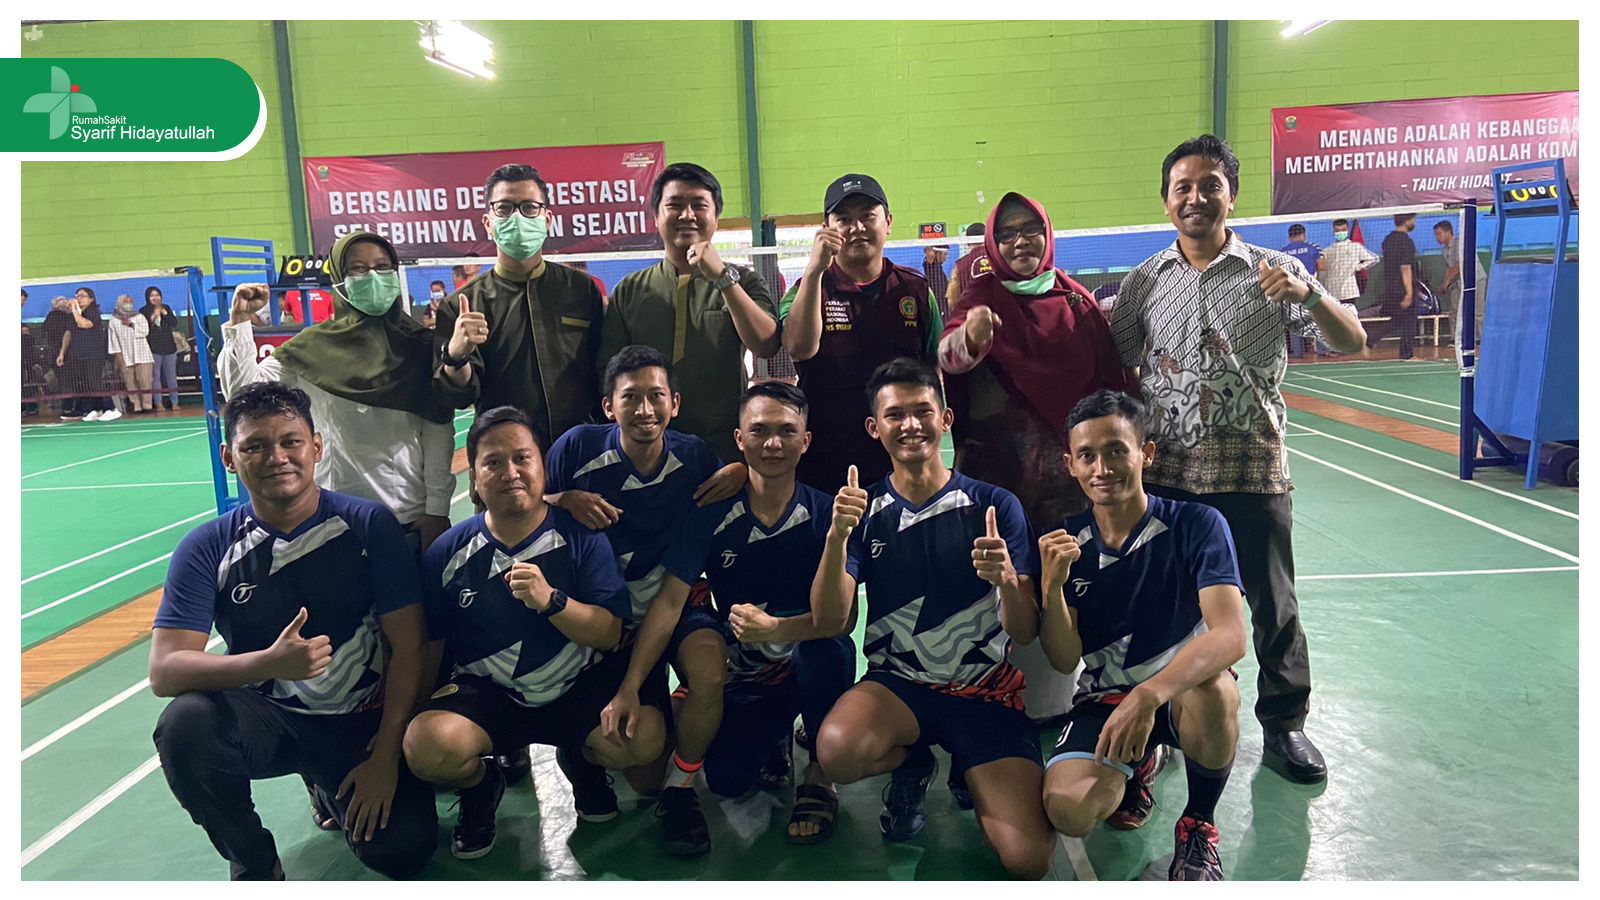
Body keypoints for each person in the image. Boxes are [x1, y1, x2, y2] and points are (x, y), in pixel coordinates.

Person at [1110, 134, 1365, 786]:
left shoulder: (1276, 271)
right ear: (1166, 201)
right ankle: (1166, 720)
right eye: (1183, 188)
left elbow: (1351, 340)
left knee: (1273, 605)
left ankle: (1285, 725)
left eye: (1210, 185)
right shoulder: (1144, 281)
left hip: (1252, 470)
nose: (1196, 197)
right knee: (1165, 604)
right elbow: (1115, 362)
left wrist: (1309, 297)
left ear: (1231, 194)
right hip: (1169, 475)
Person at [148, 381, 437, 880]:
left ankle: (327, 783)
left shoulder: (368, 526)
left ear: (317, 447)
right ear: (229, 458)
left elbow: (409, 645)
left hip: (359, 720)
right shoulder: (207, 547)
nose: (276, 457)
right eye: (255, 446)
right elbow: (165, 671)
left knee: (402, 851)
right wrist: (268, 664)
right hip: (270, 719)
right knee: (185, 727)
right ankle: (255, 861)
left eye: (290, 442)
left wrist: (386, 756)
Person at [810, 358, 1054, 880]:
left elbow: (1025, 630)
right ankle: (913, 761)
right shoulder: (863, 510)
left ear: (945, 418)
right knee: (835, 752)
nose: (911, 425)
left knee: (1028, 860)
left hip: (984, 691)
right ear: (874, 428)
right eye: (895, 415)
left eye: (923, 411)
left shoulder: (995, 505)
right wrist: (836, 539)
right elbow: (831, 621)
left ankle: (971, 762)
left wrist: (1007, 581)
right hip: (899, 686)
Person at [402, 405, 664, 860]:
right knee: (425, 746)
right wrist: (416, 714)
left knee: (644, 740)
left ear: (542, 466)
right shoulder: (447, 552)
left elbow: (609, 633)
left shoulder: (581, 536)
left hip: (577, 687)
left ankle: (581, 760)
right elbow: (433, 644)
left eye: (522, 458)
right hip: (491, 696)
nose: (511, 472)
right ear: (474, 478)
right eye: (493, 462)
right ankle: (481, 786)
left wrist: (552, 601)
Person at [602, 381, 855, 846]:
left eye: (786, 431)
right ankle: (775, 734)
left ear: (806, 440)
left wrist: (776, 628)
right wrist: (630, 686)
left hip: (808, 659)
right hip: (753, 674)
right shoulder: (712, 513)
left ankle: (820, 777)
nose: (773, 443)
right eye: (759, 431)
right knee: (727, 780)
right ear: (739, 439)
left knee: (829, 651)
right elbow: (670, 601)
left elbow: (843, 620)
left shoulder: (827, 514)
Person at [1038, 389, 1247, 881]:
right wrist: (1051, 588)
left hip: (1179, 694)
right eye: (1087, 455)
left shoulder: (1197, 524)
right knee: (1068, 810)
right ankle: (1138, 765)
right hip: (1105, 699)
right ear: (1070, 465)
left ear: (1145, 453)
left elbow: (1231, 636)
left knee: (1216, 691)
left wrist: (1149, 694)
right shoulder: (1067, 541)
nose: (1102, 468)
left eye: (1116, 450)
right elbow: (1064, 659)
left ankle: (1198, 826)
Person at [544, 345, 738, 855]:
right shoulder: (575, 449)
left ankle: (680, 792)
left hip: (676, 600)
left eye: (656, 396)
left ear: (675, 403)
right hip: (608, 617)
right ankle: (582, 749)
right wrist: (562, 498)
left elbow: (732, 483)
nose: (645, 409)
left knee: (710, 673)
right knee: (640, 767)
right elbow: (529, 509)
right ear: (609, 406)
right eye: (631, 397)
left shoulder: (694, 456)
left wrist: (741, 471)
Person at [221, 230, 457, 555]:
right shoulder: (312, 348)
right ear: (338, 280)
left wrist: (437, 510)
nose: (372, 277)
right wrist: (240, 323)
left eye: (382, 267)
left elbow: (437, 432)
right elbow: (244, 395)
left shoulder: (421, 346)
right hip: (328, 520)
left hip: (406, 517)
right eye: (357, 269)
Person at [938, 192, 1133, 532]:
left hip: (1072, 480)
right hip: (997, 478)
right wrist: (969, 338)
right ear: (993, 243)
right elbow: (948, 357)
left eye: (1031, 229)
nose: (1021, 241)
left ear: (1047, 233)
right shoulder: (982, 296)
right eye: (1007, 234)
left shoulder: (1075, 300)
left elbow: (1112, 383)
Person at [602, 163, 781, 462]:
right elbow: (609, 373)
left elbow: (766, 344)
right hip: (647, 451)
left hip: (723, 451)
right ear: (656, 216)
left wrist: (723, 279)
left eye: (699, 205)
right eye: (675, 205)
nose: (687, 215)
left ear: (716, 217)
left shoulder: (745, 281)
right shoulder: (629, 290)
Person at [780, 175, 944, 494]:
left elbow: (935, 368)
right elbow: (798, 347)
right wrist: (814, 271)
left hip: (902, 458)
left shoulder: (916, 290)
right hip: (825, 461)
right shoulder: (806, 289)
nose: (857, 227)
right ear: (826, 228)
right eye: (844, 219)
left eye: (868, 216)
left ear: (888, 222)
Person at [433, 163, 607, 450]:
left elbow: (602, 371)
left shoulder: (581, 290)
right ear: (488, 223)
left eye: (529, 207)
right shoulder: (461, 306)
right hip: (507, 460)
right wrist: (456, 356)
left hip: (580, 452)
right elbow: (457, 397)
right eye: (504, 208)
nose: (517, 217)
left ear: (547, 220)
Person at [1366, 213, 1421, 360]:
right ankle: (1406, 355)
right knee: (1410, 320)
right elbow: (1405, 267)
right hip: (1402, 288)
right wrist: (1409, 292)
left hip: (1390, 288)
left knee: (1397, 319)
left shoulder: (1388, 240)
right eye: (1413, 219)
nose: (1414, 222)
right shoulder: (1406, 242)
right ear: (1407, 220)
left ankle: (1370, 339)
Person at [1434, 219, 1488, 367]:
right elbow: (1449, 267)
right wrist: (1445, 283)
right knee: (1455, 311)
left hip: (1475, 279)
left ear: (1448, 232)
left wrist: (1446, 282)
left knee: (1478, 311)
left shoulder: (1460, 243)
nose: (1437, 237)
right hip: (1459, 282)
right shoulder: (1445, 250)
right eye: (1436, 234)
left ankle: (1480, 339)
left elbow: (1459, 265)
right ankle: (1455, 338)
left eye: (1439, 233)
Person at [60, 286, 118, 421]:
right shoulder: (72, 316)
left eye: (83, 296)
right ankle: (96, 409)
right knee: (86, 384)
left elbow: (84, 324)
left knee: (95, 382)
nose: (79, 299)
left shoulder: (93, 312)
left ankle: (111, 408)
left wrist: (74, 308)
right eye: (77, 296)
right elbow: (68, 333)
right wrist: (62, 353)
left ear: (91, 299)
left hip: (93, 354)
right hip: (78, 354)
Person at [1318, 217, 1380, 316]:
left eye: (1343, 230)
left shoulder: (1355, 247)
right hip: (1331, 290)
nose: (1340, 232)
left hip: (1349, 290)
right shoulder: (1326, 251)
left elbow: (1374, 259)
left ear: (1347, 230)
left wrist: (1358, 267)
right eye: (1337, 230)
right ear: (1333, 231)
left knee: (1350, 316)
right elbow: (1323, 271)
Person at [141, 286, 188, 411]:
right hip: (154, 349)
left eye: (157, 295)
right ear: (148, 298)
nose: (155, 298)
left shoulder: (166, 308)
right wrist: (154, 315)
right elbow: (145, 328)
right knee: (155, 377)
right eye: (152, 295)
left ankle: (174, 402)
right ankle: (158, 403)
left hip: (169, 348)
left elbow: (174, 323)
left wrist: (164, 313)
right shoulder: (143, 311)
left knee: (171, 377)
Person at [1279, 225, 1324, 357]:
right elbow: (1322, 266)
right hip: (1310, 288)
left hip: (1291, 290)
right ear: (1304, 235)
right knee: (1318, 318)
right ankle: (1323, 350)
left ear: (1289, 237)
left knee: (1294, 318)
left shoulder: (1282, 252)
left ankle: (1298, 352)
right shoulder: (1313, 247)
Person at [107, 294, 154, 413]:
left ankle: (147, 406)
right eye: (126, 302)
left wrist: (131, 324)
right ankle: (136, 406)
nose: (129, 304)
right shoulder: (113, 321)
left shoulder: (139, 317)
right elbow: (113, 340)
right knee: (130, 383)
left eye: (130, 302)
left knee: (145, 381)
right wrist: (119, 356)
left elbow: (145, 332)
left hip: (143, 356)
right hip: (125, 356)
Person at [949, 223, 992, 312]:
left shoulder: (960, 265)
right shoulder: (1000, 259)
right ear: (988, 238)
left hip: (972, 315)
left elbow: (952, 299)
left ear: (967, 242)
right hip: (1002, 314)